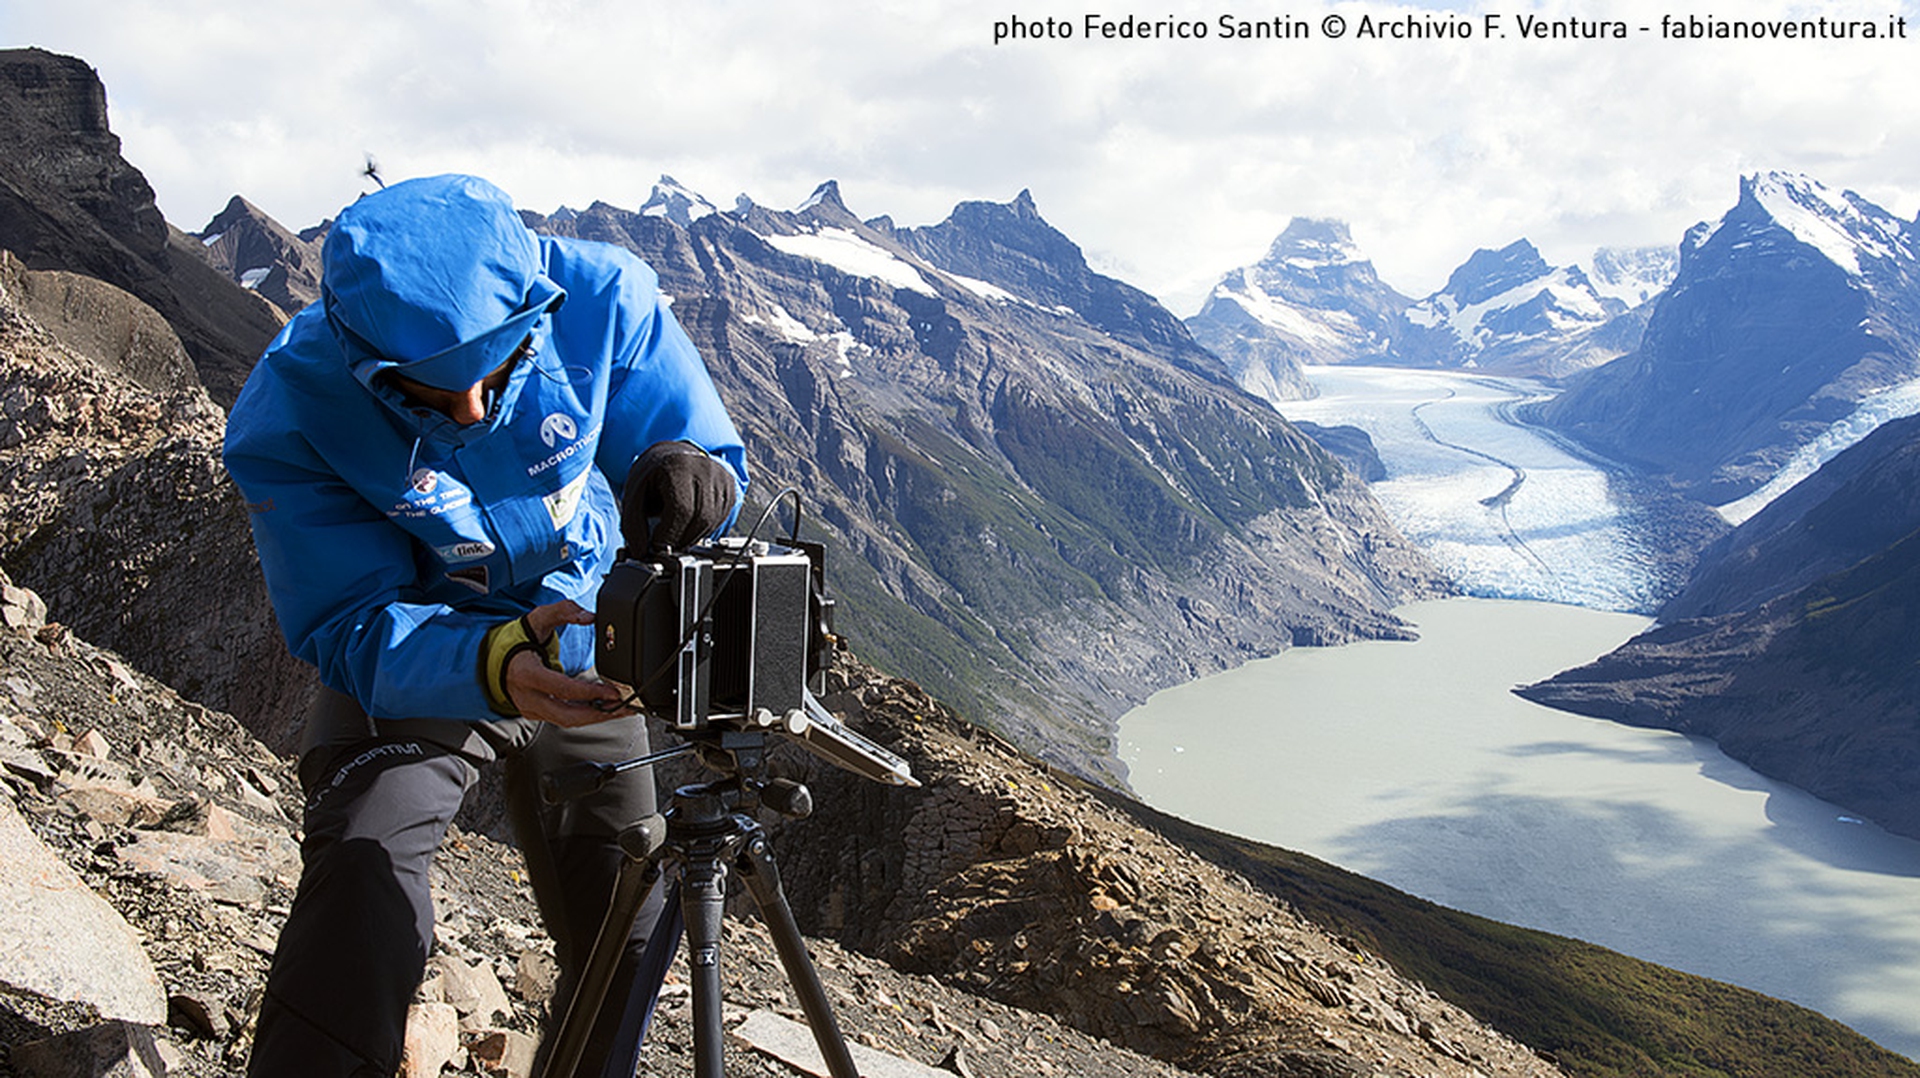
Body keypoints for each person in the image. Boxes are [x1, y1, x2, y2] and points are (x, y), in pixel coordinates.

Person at [222, 173, 748, 1077]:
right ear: (358, 355)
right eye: (426, 396)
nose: (469, 410)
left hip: (589, 655)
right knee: (362, 871)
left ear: (535, 311)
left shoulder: (606, 303)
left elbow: (701, 455)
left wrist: (691, 473)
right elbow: (348, 619)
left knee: (634, 918)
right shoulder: (291, 411)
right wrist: (494, 660)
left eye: (494, 372)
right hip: (425, 656)